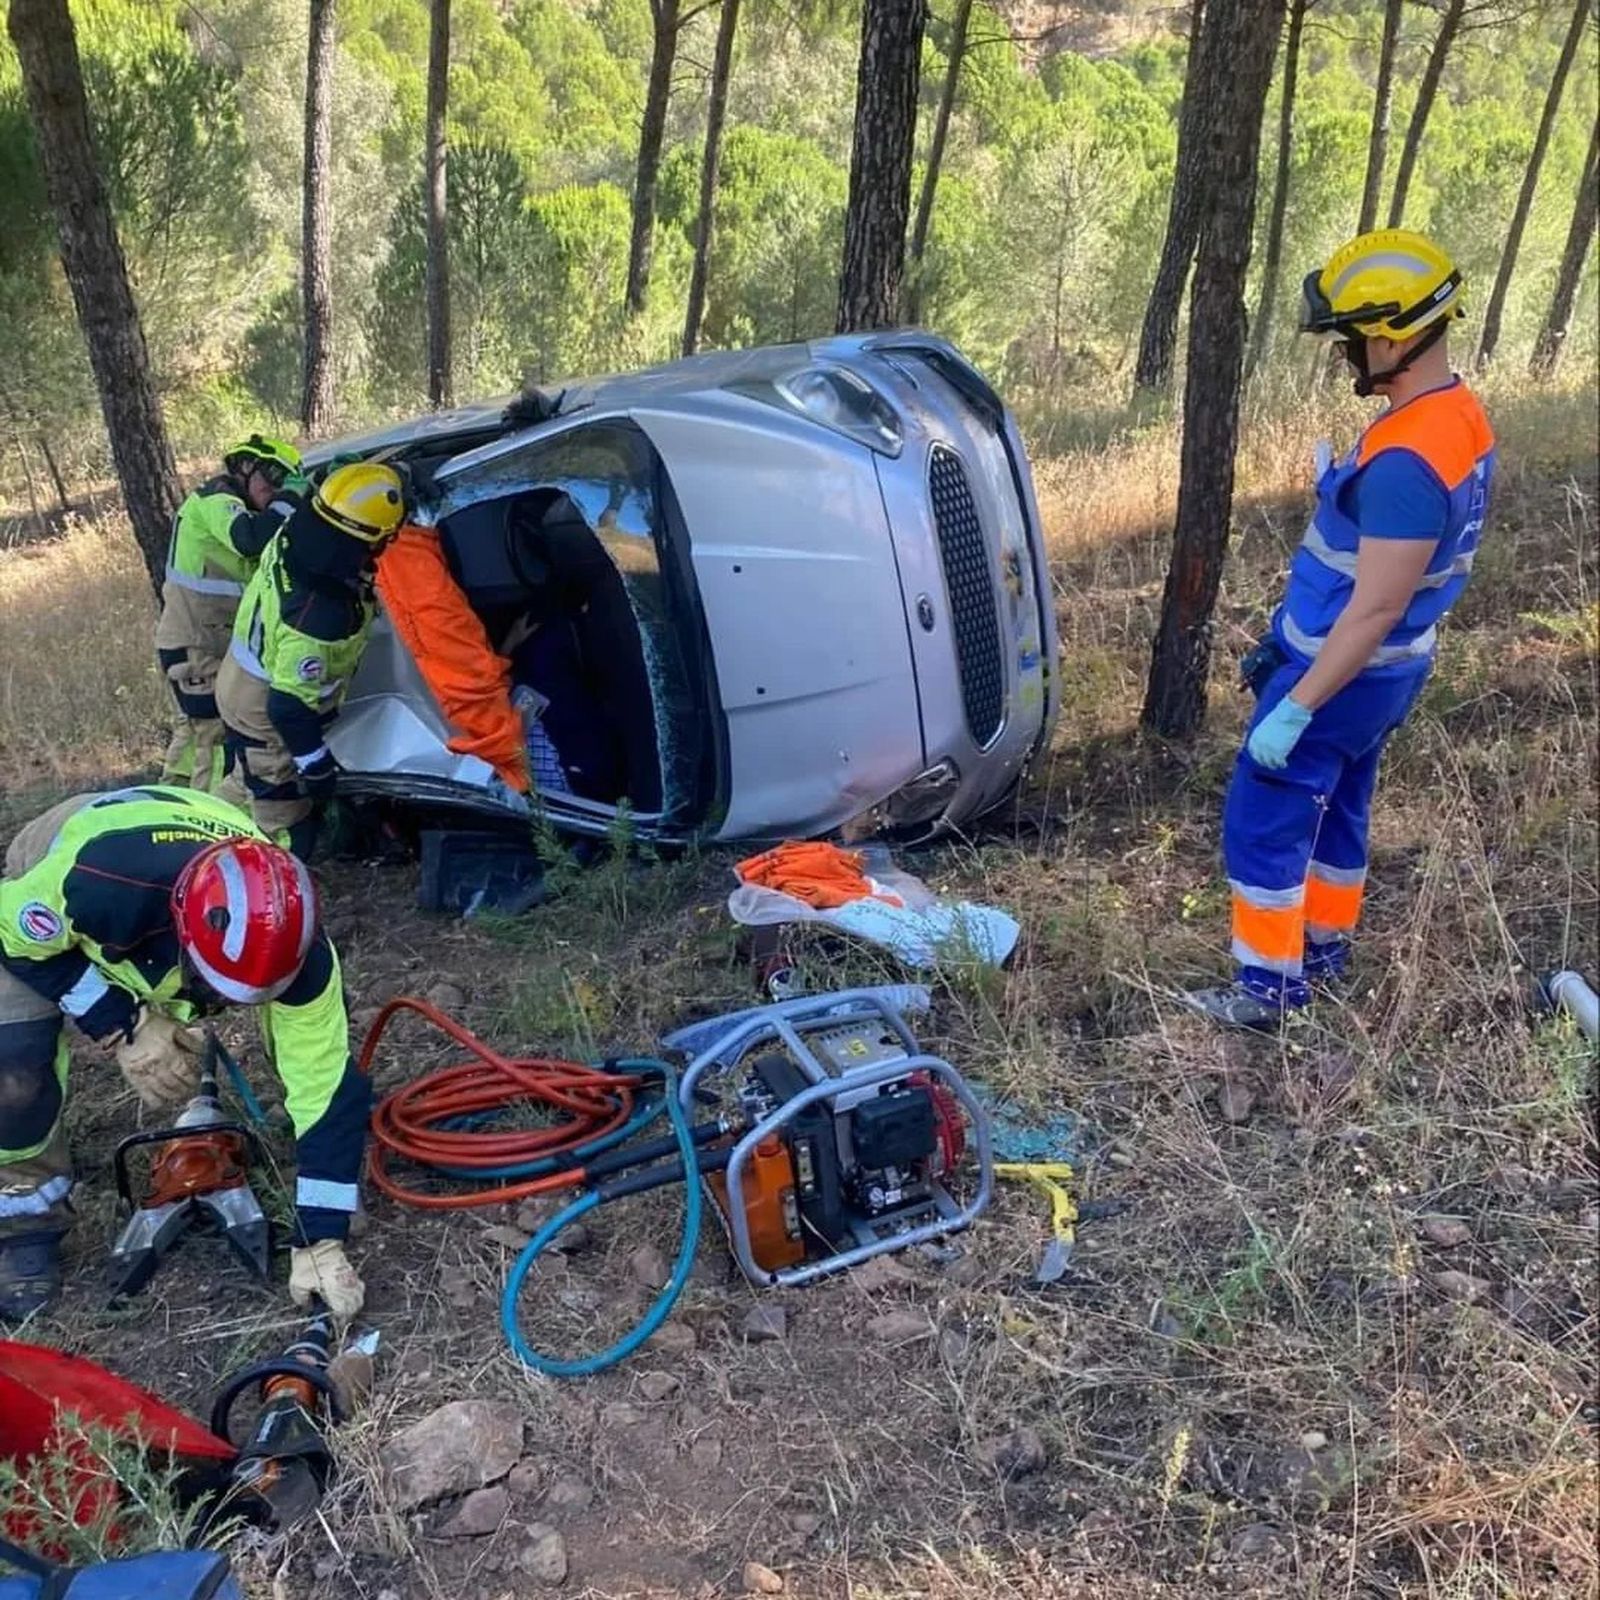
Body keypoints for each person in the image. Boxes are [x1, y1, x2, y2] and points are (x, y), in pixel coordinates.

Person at [1186, 229, 1495, 1029]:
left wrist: (1296, 706)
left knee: (1265, 819)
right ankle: (1321, 952)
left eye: (1349, 339)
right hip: (1385, 672)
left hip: (1341, 675)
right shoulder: (1453, 416)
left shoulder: (1406, 463)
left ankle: (1266, 990)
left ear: (1391, 336)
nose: (1342, 354)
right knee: (1339, 807)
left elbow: (1377, 606)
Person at [0, 786, 368, 1322]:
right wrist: (124, 1022)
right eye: (215, 988)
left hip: (194, 855)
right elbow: (12, 935)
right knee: (14, 1067)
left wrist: (321, 1238)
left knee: (313, 1062)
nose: (225, 1005)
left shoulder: (303, 957)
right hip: (59, 856)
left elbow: (328, 1090)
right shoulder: (98, 885)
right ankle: (24, 1216)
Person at [215, 462, 407, 859]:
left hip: (240, 677)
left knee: (247, 778)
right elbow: (287, 708)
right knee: (280, 806)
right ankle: (270, 872)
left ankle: (202, 833)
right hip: (263, 707)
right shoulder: (317, 617)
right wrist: (315, 765)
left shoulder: (302, 527)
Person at [156, 434, 307, 791]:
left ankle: (167, 805)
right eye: (273, 476)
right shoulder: (216, 499)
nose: (275, 489)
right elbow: (248, 539)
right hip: (197, 649)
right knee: (216, 743)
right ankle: (208, 819)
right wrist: (290, 498)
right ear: (245, 466)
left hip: (204, 645)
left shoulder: (253, 513)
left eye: (284, 482)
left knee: (193, 740)